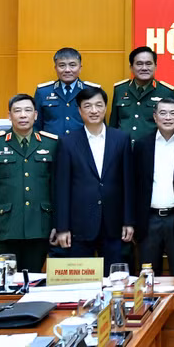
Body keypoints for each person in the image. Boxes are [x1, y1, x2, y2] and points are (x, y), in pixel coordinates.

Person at [53, 86, 134, 269]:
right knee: (82, 282)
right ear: (79, 110)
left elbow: (128, 184)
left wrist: (128, 221)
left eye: (99, 105)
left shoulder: (121, 139)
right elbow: (62, 187)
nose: (94, 110)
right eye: (88, 106)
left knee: (116, 279)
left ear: (106, 108)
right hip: (79, 225)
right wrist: (62, 227)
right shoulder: (67, 142)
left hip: (114, 224)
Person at [0, 94, 58, 272]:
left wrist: (57, 225)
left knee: (33, 281)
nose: (23, 115)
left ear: (35, 115)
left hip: (39, 226)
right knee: (7, 282)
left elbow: (55, 188)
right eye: (17, 111)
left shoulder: (51, 143)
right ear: (9, 115)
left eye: (28, 110)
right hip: (5, 228)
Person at [132, 98, 174, 276]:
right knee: (148, 275)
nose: (168, 118)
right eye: (163, 113)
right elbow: (136, 184)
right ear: (155, 117)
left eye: (173, 113)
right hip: (149, 220)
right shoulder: (142, 145)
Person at [109, 46, 174, 143]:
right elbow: (113, 124)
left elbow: (173, 127)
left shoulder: (166, 92)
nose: (144, 68)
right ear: (131, 67)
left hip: (151, 149)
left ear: (155, 66)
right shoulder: (120, 89)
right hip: (123, 148)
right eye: (139, 64)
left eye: (148, 64)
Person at [34, 47, 100, 136]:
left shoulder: (92, 91)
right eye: (62, 65)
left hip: (82, 146)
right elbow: (36, 125)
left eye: (72, 65)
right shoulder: (43, 92)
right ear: (55, 68)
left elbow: (99, 125)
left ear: (80, 68)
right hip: (51, 146)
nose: (67, 70)